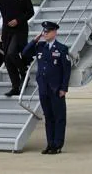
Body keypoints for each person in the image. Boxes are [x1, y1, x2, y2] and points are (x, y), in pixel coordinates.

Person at [22, 21, 71, 155]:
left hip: (56, 89)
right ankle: (50, 144)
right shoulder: (40, 47)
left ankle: (57, 144)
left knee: (59, 117)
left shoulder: (61, 48)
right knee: (48, 117)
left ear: (55, 32)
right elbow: (25, 53)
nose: (45, 33)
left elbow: (66, 71)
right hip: (43, 88)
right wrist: (35, 40)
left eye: (48, 31)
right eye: (44, 31)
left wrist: (63, 88)